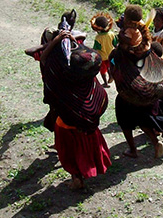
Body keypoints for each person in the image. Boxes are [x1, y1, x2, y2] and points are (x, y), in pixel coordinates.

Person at [38, 25, 111, 190]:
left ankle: (76, 178)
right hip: (88, 121)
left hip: (68, 123)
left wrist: (56, 40)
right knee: (88, 147)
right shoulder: (88, 76)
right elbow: (87, 53)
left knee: (71, 153)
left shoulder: (63, 80)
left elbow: (44, 61)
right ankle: (89, 171)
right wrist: (73, 40)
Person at [111, 5, 163, 159]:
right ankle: (155, 141)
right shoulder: (145, 35)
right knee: (142, 115)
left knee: (124, 117)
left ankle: (132, 149)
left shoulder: (127, 41)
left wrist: (119, 39)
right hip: (147, 81)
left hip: (131, 86)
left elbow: (118, 56)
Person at [91, 13, 117, 87]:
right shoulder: (111, 34)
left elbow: (96, 48)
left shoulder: (98, 38)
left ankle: (105, 83)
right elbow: (115, 43)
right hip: (110, 55)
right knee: (109, 67)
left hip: (102, 57)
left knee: (102, 71)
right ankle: (111, 76)